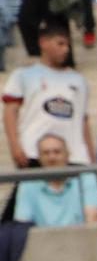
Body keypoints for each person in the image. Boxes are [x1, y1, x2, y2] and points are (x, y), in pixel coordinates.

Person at [5, 22, 92, 169]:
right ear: (43, 43)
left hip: (74, 156)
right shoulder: (24, 75)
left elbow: (82, 120)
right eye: (60, 44)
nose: (65, 50)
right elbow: (10, 112)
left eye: (67, 45)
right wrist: (15, 145)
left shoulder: (79, 80)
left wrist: (90, 155)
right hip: (33, 153)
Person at [12, 133, 97, 225]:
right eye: (46, 153)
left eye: (57, 152)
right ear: (39, 158)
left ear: (68, 155)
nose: (52, 157)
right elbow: (22, 225)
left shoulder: (86, 179)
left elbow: (92, 220)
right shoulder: (27, 185)